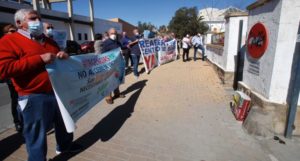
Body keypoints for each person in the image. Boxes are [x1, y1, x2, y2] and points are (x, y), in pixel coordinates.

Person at [0, 9, 80, 161]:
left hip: (57, 91)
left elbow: (57, 59)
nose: (38, 21)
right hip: (33, 96)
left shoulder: (49, 41)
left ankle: (64, 146)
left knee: (64, 123)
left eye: (39, 18)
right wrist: (39, 59)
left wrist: (64, 57)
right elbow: (3, 70)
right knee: (36, 135)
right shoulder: (8, 41)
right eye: (32, 18)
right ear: (19, 23)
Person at [1, 24, 22, 132]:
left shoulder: (19, 43)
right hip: (11, 78)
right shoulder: (4, 44)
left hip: (22, 76)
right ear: (6, 33)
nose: (15, 33)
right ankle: (17, 122)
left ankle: (25, 121)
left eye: (16, 31)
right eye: (12, 31)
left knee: (24, 100)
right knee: (16, 100)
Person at [101, 28, 125, 104]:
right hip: (109, 65)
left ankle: (117, 93)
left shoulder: (118, 42)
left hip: (117, 64)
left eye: (115, 33)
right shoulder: (106, 43)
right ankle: (108, 97)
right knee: (109, 81)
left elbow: (121, 48)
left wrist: (125, 48)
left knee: (117, 79)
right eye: (112, 33)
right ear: (108, 34)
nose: (114, 35)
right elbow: (103, 55)